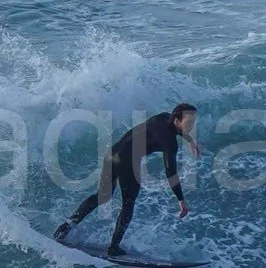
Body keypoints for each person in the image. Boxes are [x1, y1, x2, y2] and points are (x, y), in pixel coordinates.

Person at [55, 104, 198, 257]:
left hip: (112, 155)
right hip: (127, 161)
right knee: (128, 203)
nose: (192, 125)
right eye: (189, 122)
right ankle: (113, 248)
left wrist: (189, 140)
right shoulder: (170, 142)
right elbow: (170, 172)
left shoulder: (163, 116)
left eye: (193, 121)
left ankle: (65, 228)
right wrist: (181, 200)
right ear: (177, 120)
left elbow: (174, 129)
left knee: (102, 196)